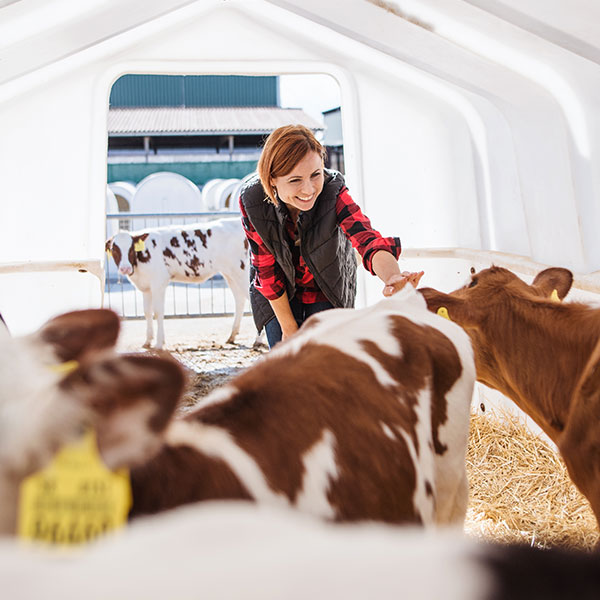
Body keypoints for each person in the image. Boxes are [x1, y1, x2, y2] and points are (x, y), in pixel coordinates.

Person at [239, 124, 423, 348]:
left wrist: (393, 279)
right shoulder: (253, 201)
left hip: (327, 287)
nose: (308, 190)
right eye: (295, 180)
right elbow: (266, 271)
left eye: (315, 175)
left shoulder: (333, 190)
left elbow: (366, 238)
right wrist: (289, 330)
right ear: (272, 179)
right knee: (288, 362)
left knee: (327, 361)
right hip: (280, 296)